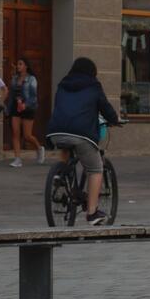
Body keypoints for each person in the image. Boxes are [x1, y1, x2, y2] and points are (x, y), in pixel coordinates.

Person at [46, 57, 121, 226]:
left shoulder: (62, 85)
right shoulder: (94, 86)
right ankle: (92, 213)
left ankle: (60, 177)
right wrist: (114, 120)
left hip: (56, 131)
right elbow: (105, 107)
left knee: (66, 146)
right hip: (81, 134)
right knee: (95, 168)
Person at [7, 58, 44, 167]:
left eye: (20, 64)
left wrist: (25, 105)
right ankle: (17, 159)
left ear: (26, 66)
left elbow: (33, 96)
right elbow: (11, 95)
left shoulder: (32, 79)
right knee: (15, 132)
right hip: (15, 107)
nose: (18, 66)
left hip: (28, 107)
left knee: (27, 135)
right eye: (17, 64)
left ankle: (39, 148)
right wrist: (8, 108)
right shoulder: (14, 78)